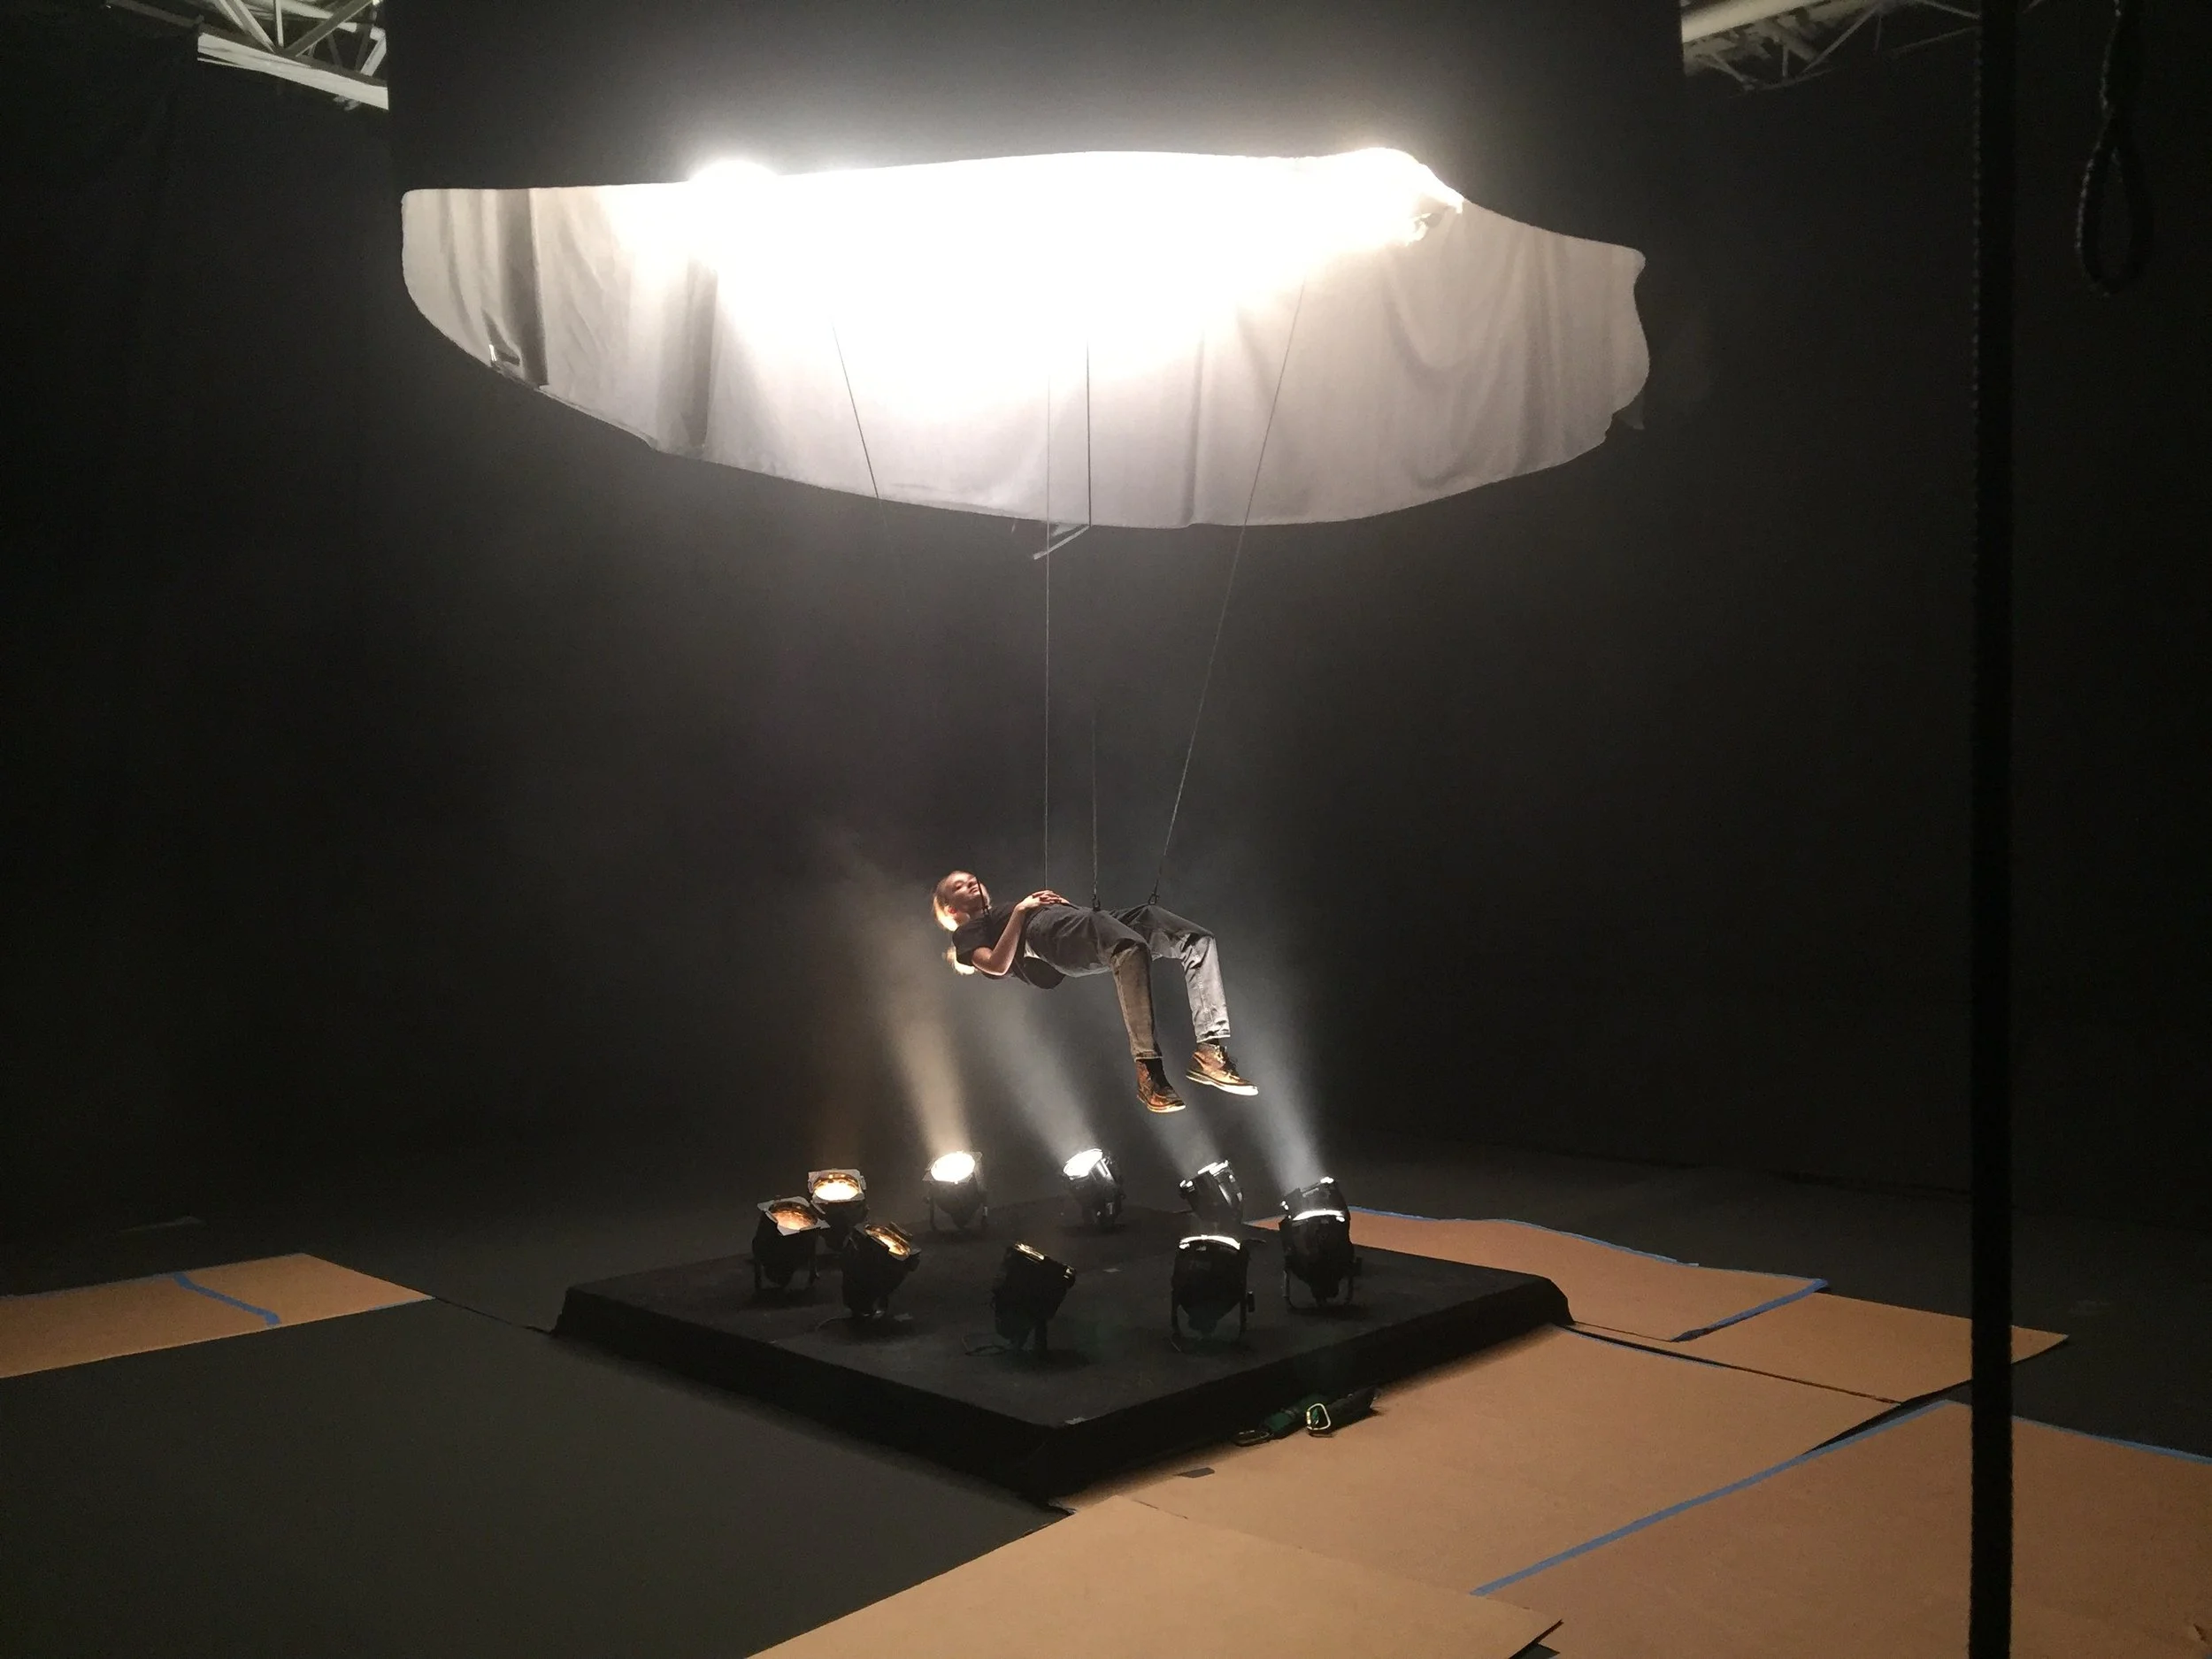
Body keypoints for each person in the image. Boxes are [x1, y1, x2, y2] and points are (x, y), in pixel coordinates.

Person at [932, 871, 1256, 1114]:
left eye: (969, 878)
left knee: (1194, 938)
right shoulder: (967, 932)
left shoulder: (1004, 910)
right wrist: (1022, 911)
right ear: (950, 909)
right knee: (1130, 947)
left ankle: (1210, 1051)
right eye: (957, 886)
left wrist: (1061, 905)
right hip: (1048, 936)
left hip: (1079, 920)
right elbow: (997, 965)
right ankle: (1149, 1070)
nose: (969, 882)